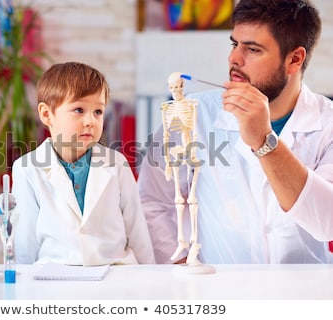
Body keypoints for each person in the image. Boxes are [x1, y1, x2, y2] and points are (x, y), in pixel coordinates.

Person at [138, 0, 333, 264]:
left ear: (294, 59)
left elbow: (326, 222)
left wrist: (264, 142)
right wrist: (180, 263)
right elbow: (153, 199)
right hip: (219, 291)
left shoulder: (328, 124)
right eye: (235, 44)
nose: (234, 58)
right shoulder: (194, 115)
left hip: (305, 293)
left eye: (253, 49)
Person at [12, 61, 155, 266]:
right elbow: (25, 244)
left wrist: (150, 281)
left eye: (98, 111)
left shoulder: (117, 163)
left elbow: (137, 231)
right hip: (56, 278)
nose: (91, 121)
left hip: (117, 275)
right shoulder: (26, 168)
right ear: (46, 114)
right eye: (79, 110)